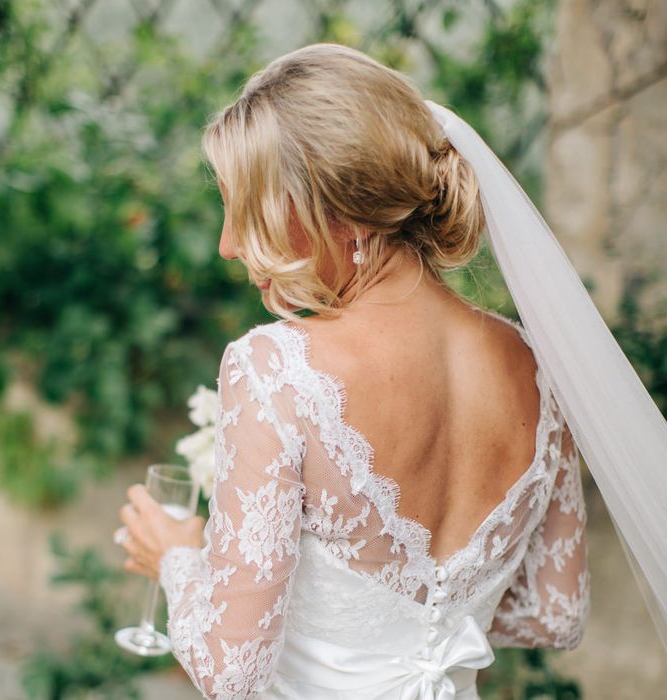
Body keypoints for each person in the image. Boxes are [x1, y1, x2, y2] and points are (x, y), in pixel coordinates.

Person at [116, 43, 593, 699]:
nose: (229, 243)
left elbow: (232, 674)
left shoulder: (275, 370)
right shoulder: (541, 367)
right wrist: (427, 627)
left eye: (244, 205)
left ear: (332, 212)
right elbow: (553, 613)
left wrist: (176, 556)